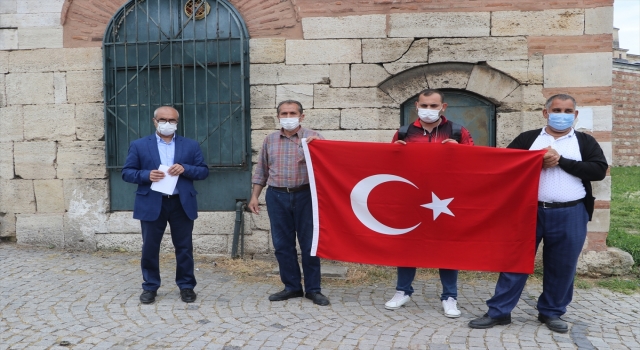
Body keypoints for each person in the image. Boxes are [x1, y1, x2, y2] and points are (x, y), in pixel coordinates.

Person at [468, 94, 607, 333]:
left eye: (567, 111)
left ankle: (551, 313)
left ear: (575, 115)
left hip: (571, 213)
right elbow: (506, 167)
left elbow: (598, 171)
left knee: (562, 267)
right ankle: (499, 312)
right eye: (556, 110)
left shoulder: (585, 142)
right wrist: (535, 162)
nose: (561, 115)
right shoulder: (528, 138)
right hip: (528, 212)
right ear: (545, 113)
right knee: (515, 262)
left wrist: (561, 161)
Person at [385, 89, 474, 317]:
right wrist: (394, 153)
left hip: (446, 200)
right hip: (412, 198)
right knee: (408, 243)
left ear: (443, 107)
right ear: (416, 105)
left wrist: (460, 152)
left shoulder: (457, 130)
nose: (429, 110)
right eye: (425, 105)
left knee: (447, 247)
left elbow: (476, 162)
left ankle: (450, 296)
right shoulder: (404, 132)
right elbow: (388, 165)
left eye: (434, 106)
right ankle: (402, 291)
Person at [122, 106, 209, 304]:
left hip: (181, 202)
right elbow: (127, 172)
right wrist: (146, 175)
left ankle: (186, 286)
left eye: (171, 120)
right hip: (153, 202)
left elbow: (203, 171)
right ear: (154, 121)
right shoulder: (139, 145)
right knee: (150, 247)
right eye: (163, 119)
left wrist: (186, 169)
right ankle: (150, 286)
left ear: (177, 122)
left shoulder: (191, 145)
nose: (167, 124)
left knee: (184, 247)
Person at [248, 100, 329, 306]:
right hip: (276, 196)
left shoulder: (314, 137)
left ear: (302, 116)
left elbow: (327, 165)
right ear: (278, 117)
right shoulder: (270, 140)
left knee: (310, 244)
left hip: (305, 195)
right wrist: (255, 196)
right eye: (284, 113)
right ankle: (291, 286)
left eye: (292, 113)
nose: (288, 117)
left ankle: (313, 289)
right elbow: (262, 170)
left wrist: (318, 148)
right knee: (282, 244)